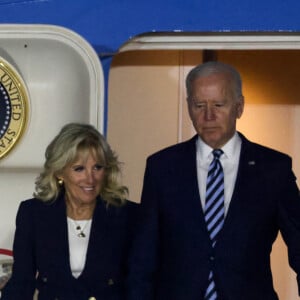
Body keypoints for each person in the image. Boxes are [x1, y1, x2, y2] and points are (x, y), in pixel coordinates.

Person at [127, 61, 300, 299]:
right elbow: (143, 257)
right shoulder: (162, 167)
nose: (209, 116)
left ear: (239, 107)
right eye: (199, 105)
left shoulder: (273, 169)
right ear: (188, 107)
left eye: (219, 105)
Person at [1, 122, 138, 300]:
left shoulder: (129, 215)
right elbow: (22, 282)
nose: (90, 179)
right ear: (59, 172)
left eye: (97, 167)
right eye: (79, 169)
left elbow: (139, 283)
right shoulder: (33, 214)